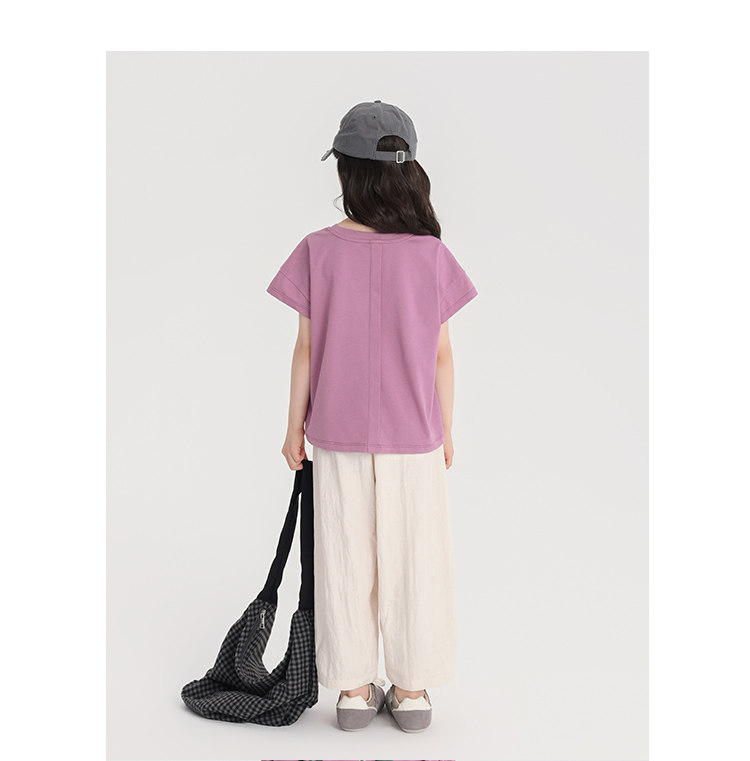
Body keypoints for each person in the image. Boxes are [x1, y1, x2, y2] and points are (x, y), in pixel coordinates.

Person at [265, 100, 478, 733]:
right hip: (415, 436)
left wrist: (293, 427)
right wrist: (445, 429)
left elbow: (306, 349)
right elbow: (442, 356)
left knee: (345, 557)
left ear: (347, 172)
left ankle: (354, 691)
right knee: (417, 560)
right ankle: (411, 692)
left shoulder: (317, 251)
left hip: (337, 434)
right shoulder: (430, 255)